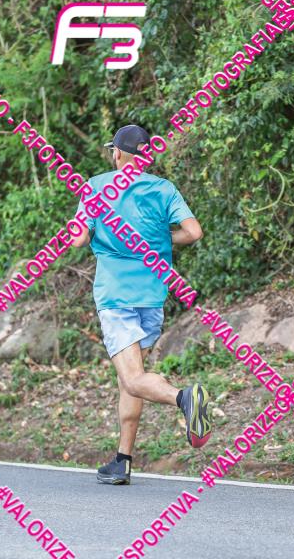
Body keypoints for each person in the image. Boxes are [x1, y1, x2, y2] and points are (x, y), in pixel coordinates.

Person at [71, 124, 211, 486]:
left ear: (117, 153)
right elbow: (193, 232)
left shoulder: (96, 187)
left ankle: (184, 397)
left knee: (133, 379)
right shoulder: (163, 189)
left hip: (116, 297)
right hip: (152, 296)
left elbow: (79, 239)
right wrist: (160, 238)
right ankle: (123, 460)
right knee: (128, 380)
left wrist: (81, 226)